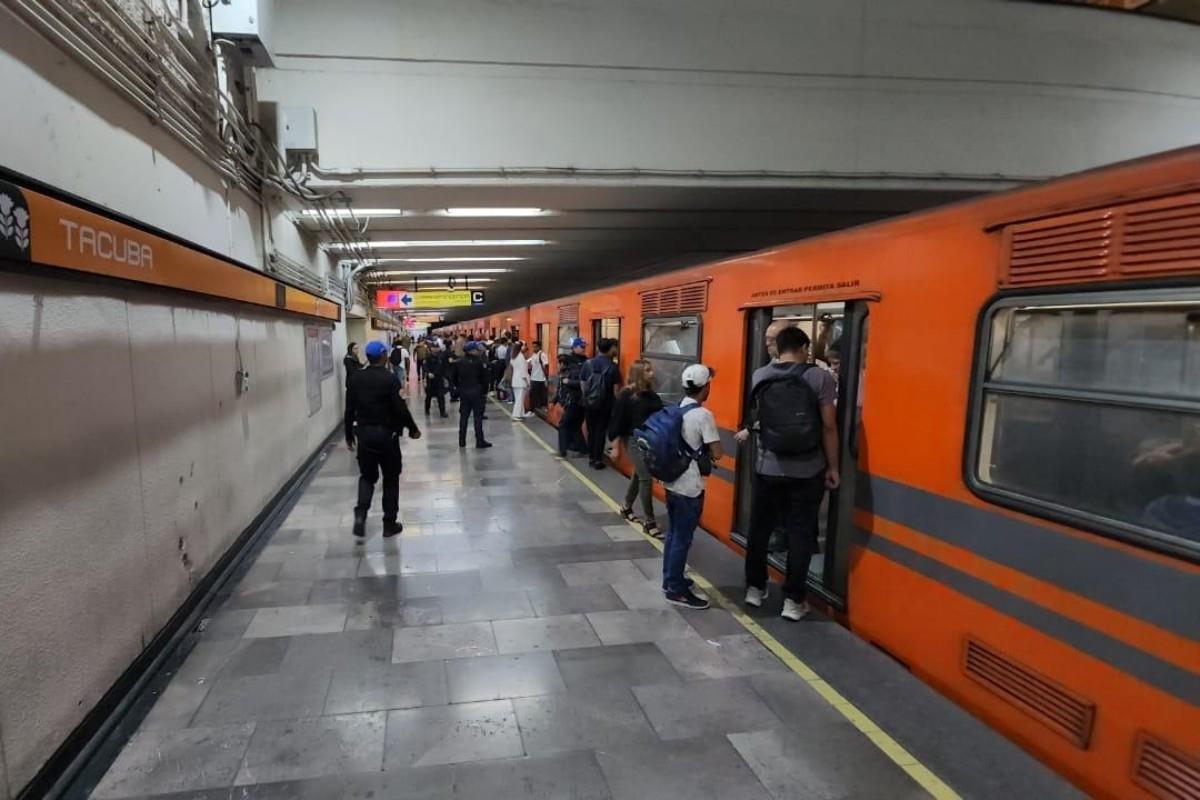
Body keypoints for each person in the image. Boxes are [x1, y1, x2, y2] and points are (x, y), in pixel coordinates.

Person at [735, 326, 840, 621]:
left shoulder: (761, 376)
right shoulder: (819, 377)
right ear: (805, 346)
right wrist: (832, 467)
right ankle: (793, 601)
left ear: (777, 347)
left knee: (759, 529)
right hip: (808, 470)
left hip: (768, 467)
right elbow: (829, 427)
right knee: (800, 534)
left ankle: (755, 589)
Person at [344, 340, 422, 540]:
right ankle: (389, 524)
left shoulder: (355, 378)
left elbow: (349, 409)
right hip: (387, 437)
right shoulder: (390, 379)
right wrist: (412, 428)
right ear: (384, 356)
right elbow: (400, 408)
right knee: (390, 479)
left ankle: (361, 512)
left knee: (367, 477)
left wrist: (348, 434)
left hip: (364, 435)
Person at [662, 364, 722, 609]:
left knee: (673, 534)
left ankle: (671, 580)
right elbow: (717, 453)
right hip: (690, 486)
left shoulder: (677, 408)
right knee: (682, 538)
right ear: (705, 387)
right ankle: (675, 590)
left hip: (672, 482)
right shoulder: (703, 415)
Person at [608, 359, 664, 537]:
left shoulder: (651, 394)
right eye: (647, 371)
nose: (652, 373)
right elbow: (617, 420)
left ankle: (626, 507)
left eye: (651, 370)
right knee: (646, 477)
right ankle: (650, 522)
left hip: (648, 440)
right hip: (632, 439)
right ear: (639, 373)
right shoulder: (627, 394)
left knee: (639, 473)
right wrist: (615, 446)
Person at [580, 338, 621, 470]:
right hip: (605, 404)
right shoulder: (613, 366)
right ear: (610, 349)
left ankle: (591, 457)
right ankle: (597, 459)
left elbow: (583, 383)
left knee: (591, 430)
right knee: (600, 431)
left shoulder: (588, 363)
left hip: (589, 404)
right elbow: (616, 390)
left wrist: (588, 397)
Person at [452, 341, 492, 449]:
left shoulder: (459, 362)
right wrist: (484, 391)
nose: (478, 351)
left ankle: (462, 441)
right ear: (472, 350)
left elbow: (454, 378)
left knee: (463, 417)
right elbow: (485, 379)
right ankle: (479, 441)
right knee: (477, 417)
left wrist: (460, 388)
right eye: (476, 349)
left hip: (464, 392)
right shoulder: (479, 362)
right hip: (477, 392)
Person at [556, 338, 589, 458]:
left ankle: (563, 451)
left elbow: (584, 382)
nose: (584, 349)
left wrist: (569, 382)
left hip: (577, 399)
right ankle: (582, 449)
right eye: (582, 346)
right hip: (574, 399)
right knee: (573, 425)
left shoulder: (586, 362)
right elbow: (561, 379)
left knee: (565, 424)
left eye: (584, 346)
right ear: (574, 347)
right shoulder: (570, 361)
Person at [423, 341, 449, 418]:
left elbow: (444, 367)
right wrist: (428, 373)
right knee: (429, 396)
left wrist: (445, 377)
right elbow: (425, 366)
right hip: (430, 380)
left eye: (436, 348)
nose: (435, 349)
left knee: (441, 396)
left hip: (439, 379)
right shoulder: (428, 357)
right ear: (431, 349)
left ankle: (442, 412)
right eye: (433, 348)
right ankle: (427, 410)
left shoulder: (441, 357)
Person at [509, 340, 533, 420]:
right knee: (519, 400)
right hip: (521, 382)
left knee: (519, 398)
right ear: (521, 347)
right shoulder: (521, 357)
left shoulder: (513, 357)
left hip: (515, 380)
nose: (525, 347)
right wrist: (527, 382)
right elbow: (523, 372)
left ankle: (521, 413)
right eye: (524, 346)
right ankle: (516, 415)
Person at [529, 340, 550, 411]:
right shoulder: (533, 355)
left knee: (542, 394)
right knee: (533, 394)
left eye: (535, 347)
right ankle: (534, 408)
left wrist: (546, 377)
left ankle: (543, 407)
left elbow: (546, 366)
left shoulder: (542, 355)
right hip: (533, 378)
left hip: (541, 378)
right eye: (533, 347)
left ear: (539, 347)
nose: (534, 348)